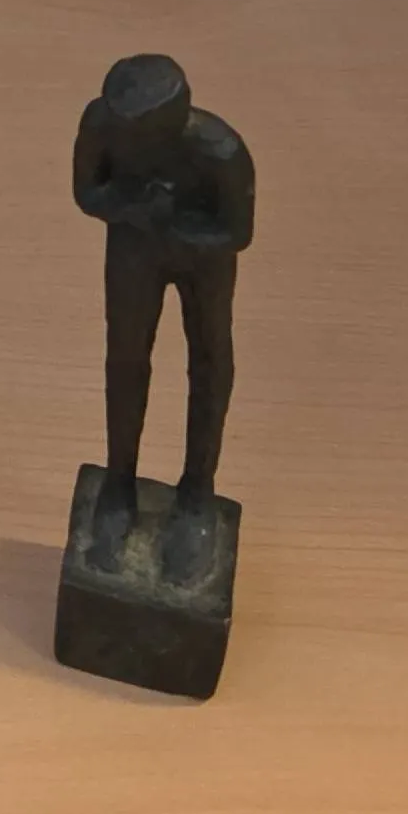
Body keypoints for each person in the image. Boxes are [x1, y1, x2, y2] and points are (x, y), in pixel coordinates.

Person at [72, 52, 253, 585]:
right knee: (126, 358)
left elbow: (237, 232)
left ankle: (196, 494)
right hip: (135, 248)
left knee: (209, 360)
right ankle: (119, 485)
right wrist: (131, 209)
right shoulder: (100, 123)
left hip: (203, 261)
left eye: (141, 136)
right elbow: (87, 192)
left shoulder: (219, 151)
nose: (126, 142)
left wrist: (173, 223)